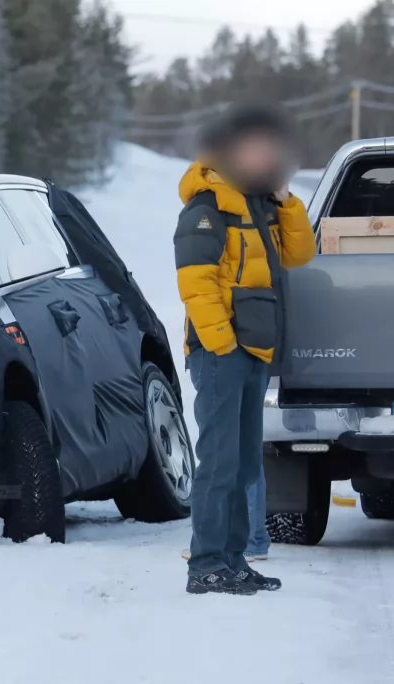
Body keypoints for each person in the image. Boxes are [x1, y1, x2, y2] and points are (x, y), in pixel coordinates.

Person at [174, 103, 316, 595]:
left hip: (253, 350)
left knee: (243, 463)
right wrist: (223, 344)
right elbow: (196, 284)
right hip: (222, 353)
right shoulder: (207, 207)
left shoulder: (260, 204)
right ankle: (206, 565)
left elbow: (300, 253)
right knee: (218, 463)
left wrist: (286, 200)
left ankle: (234, 561)